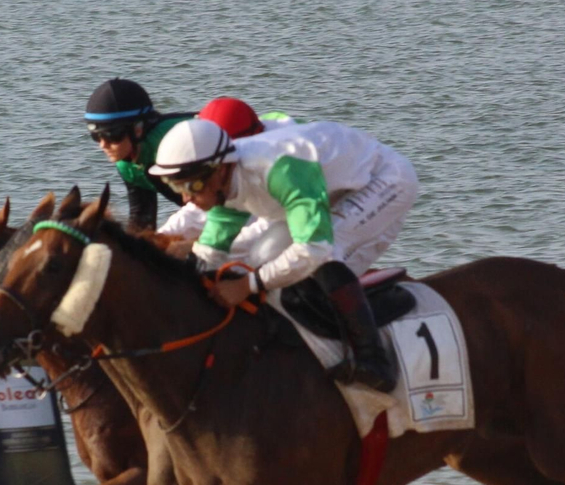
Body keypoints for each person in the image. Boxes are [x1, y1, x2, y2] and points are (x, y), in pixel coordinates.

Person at [147, 118, 418, 392]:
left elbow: (313, 250)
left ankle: (374, 360)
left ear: (219, 170)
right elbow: (209, 254)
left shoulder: (278, 169)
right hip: (325, 185)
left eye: (191, 187)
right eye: (174, 186)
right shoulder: (225, 184)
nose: (185, 199)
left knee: (325, 253)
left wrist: (246, 285)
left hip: (382, 179)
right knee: (259, 255)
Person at [155, 96, 293, 244]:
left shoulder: (276, 164)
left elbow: (264, 224)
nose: (185, 197)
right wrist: (159, 238)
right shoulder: (232, 152)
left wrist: (194, 247)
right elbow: (195, 213)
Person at [83, 77, 192, 231]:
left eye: (112, 135)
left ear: (138, 129)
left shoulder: (170, 143)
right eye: (96, 136)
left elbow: (206, 207)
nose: (103, 145)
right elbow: (142, 219)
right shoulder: (125, 162)